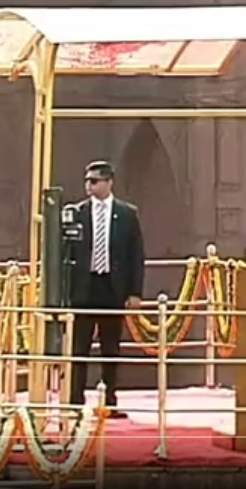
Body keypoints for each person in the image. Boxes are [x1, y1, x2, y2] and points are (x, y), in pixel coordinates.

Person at [66, 159, 146, 411]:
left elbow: (136, 255)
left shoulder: (126, 214)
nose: (88, 186)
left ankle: (109, 399)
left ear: (108, 182)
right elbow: (65, 254)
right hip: (84, 288)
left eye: (94, 181)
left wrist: (135, 292)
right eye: (86, 181)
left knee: (111, 348)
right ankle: (75, 400)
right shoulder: (76, 212)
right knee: (79, 347)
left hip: (112, 287)